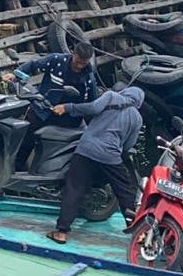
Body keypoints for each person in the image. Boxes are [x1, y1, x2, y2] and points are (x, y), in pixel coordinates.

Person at [45, 85, 144, 244]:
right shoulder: (137, 118)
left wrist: (68, 107)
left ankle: (62, 232)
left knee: (74, 188)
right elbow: (129, 144)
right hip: (111, 157)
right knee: (125, 191)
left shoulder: (111, 96)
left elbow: (92, 108)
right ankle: (138, 232)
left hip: (86, 150)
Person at [2, 42, 98, 166]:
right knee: (25, 139)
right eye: (78, 61)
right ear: (73, 54)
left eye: (83, 63)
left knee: (54, 150)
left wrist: (68, 109)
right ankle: (16, 168)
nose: (79, 66)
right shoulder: (56, 61)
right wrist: (15, 74)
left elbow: (91, 105)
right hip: (42, 109)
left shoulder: (88, 79)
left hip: (67, 120)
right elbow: (33, 65)